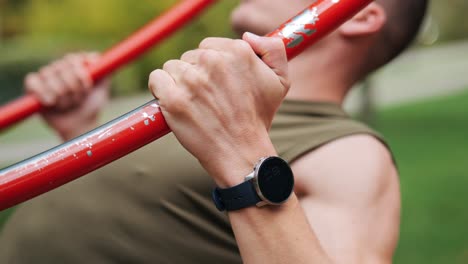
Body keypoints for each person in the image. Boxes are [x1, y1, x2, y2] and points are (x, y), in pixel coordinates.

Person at [0, 0, 428, 263]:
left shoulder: (349, 151)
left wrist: (242, 151)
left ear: (358, 15)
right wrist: (82, 133)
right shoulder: (202, 106)